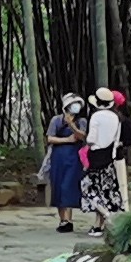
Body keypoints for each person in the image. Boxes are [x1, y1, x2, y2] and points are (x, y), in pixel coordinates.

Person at [43, 94, 89, 230]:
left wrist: (71, 124)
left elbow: (82, 137)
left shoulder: (82, 121)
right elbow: (50, 138)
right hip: (58, 157)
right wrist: (66, 140)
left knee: (68, 186)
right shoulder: (56, 120)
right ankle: (63, 220)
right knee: (58, 186)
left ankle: (69, 219)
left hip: (74, 157)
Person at [81, 87, 127, 222]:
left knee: (88, 189)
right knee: (106, 189)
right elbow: (116, 139)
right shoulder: (116, 117)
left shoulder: (96, 116)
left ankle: (107, 216)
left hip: (95, 155)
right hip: (109, 155)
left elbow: (91, 139)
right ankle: (99, 224)